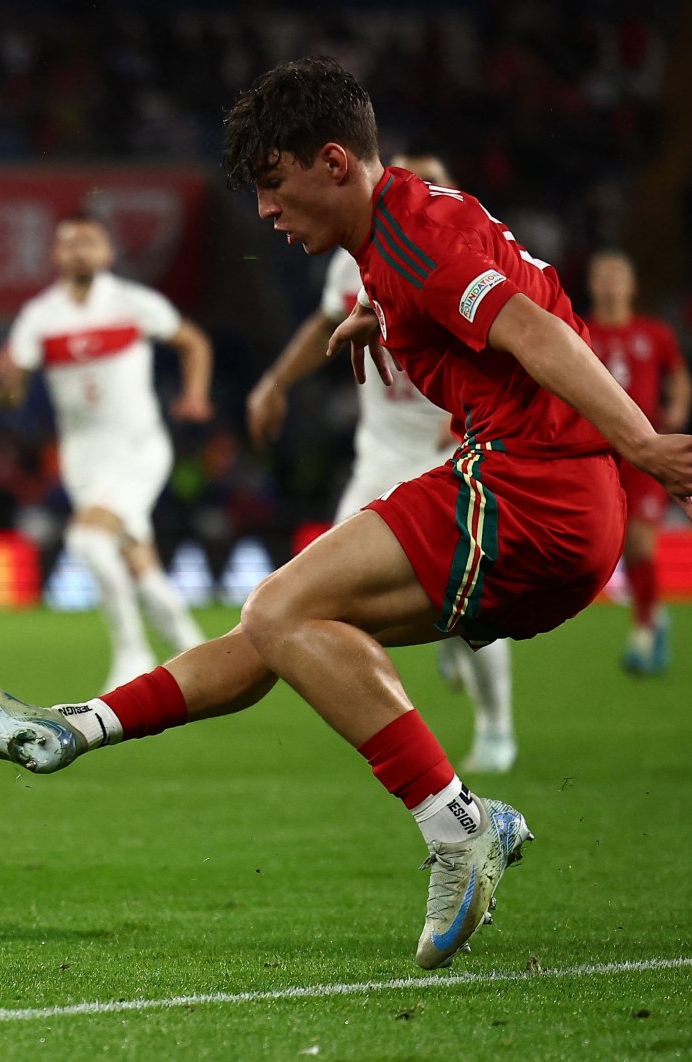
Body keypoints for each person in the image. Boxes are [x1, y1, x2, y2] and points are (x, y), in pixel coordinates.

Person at [0, 58, 692, 968]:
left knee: (279, 609)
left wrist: (642, 447)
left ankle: (457, 825)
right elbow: (463, 295)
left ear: (333, 162)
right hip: (546, 506)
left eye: (275, 188)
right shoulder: (403, 227)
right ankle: (75, 728)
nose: (268, 214)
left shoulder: (414, 238)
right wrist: (384, 322)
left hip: (534, 487)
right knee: (284, 627)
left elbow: (535, 330)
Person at [246, 151, 517, 774]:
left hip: (460, 448)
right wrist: (275, 384)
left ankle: (496, 728)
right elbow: (323, 326)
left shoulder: (466, 254)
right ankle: (392, 738)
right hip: (381, 454)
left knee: (480, 605)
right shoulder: (354, 259)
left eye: (433, 181)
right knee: (319, 596)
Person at [0, 213, 215, 691]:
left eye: (88, 240)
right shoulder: (39, 316)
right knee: (138, 559)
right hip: (82, 458)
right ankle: (198, 656)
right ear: (55, 255)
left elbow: (193, 341)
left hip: (138, 447)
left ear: (107, 253)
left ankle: (132, 654)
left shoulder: (134, 303)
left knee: (88, 541)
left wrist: (194, 394)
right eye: (68, 242)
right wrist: (6, 382)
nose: (78, 249)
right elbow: (10, 396)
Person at [586, 250, 692, 675]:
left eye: (618, 276)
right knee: (609, 548)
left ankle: (643, 634)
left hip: (645, 452)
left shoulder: (655, 333)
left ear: (633, 287)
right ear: (592, 285)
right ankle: (655, 617)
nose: (611, 283)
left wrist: (678, 405)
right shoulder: (578, 331)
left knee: (641, 544)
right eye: (603, 276)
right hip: (595, 455)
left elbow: (679, 374)